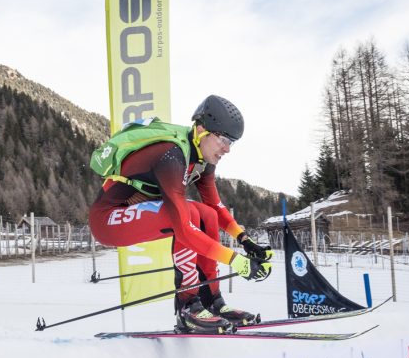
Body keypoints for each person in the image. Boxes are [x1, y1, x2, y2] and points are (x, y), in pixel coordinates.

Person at [88, 94, 273, 333]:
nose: (227, 149)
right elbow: (184, 228)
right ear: (201, 130)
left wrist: (245, 240)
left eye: (232, 143)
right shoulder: (171, 154)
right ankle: (188, 306)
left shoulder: (202, 159)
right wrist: (237, 262)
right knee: (189, 216)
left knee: (207, 214)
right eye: (224, 140)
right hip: (108, 219)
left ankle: (211, 301)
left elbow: (216, 208)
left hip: (136, 213)